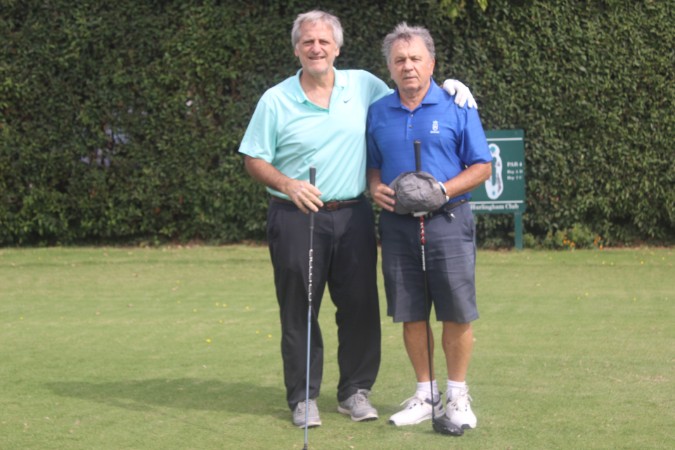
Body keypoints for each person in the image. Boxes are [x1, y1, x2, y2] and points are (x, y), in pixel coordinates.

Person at [238, 10, 477, 428]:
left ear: (337, 48)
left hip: (353, 216)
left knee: (360, 308)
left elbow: (411, 92)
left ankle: (354, 392)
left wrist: (453, 86)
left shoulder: (363, 85)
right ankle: (304, 397)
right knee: (299, 310)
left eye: (324, 41)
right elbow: (253, 157)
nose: (316, 48)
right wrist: (287, 184)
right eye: (308, 42)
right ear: (296, 50)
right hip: (297, 215)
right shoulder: (275, 99)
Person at [366, 22, 492, 431]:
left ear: (431, 64)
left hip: (449, 220)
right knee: (411, 312)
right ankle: (426, 394)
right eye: (399, 60)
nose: (408, 66)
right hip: (398, 224)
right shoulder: (378, 111)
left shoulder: (457, 105)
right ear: (390, 68)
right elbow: (373, 165)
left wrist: (442, 189)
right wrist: (375, 187)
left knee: (456, 311)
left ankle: (456, 396)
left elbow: (482, 166)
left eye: (415, 58)